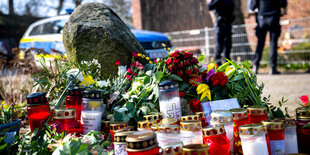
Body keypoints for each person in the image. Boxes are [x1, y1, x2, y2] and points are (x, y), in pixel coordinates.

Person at [251, 0, 287, 74]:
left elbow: (252, 6)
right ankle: (272, 68)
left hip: (262, 19)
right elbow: (283, 3)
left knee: (260, 44)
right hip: (274, 18)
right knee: (273, 44)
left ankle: (255, 66)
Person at [207, 0, 235, 66]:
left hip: (228, 23)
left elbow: (232, 7)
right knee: (219, 45)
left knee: (228, 44)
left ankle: (227, 63)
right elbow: (209, 7)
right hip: (219, 24)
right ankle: (217, 63)